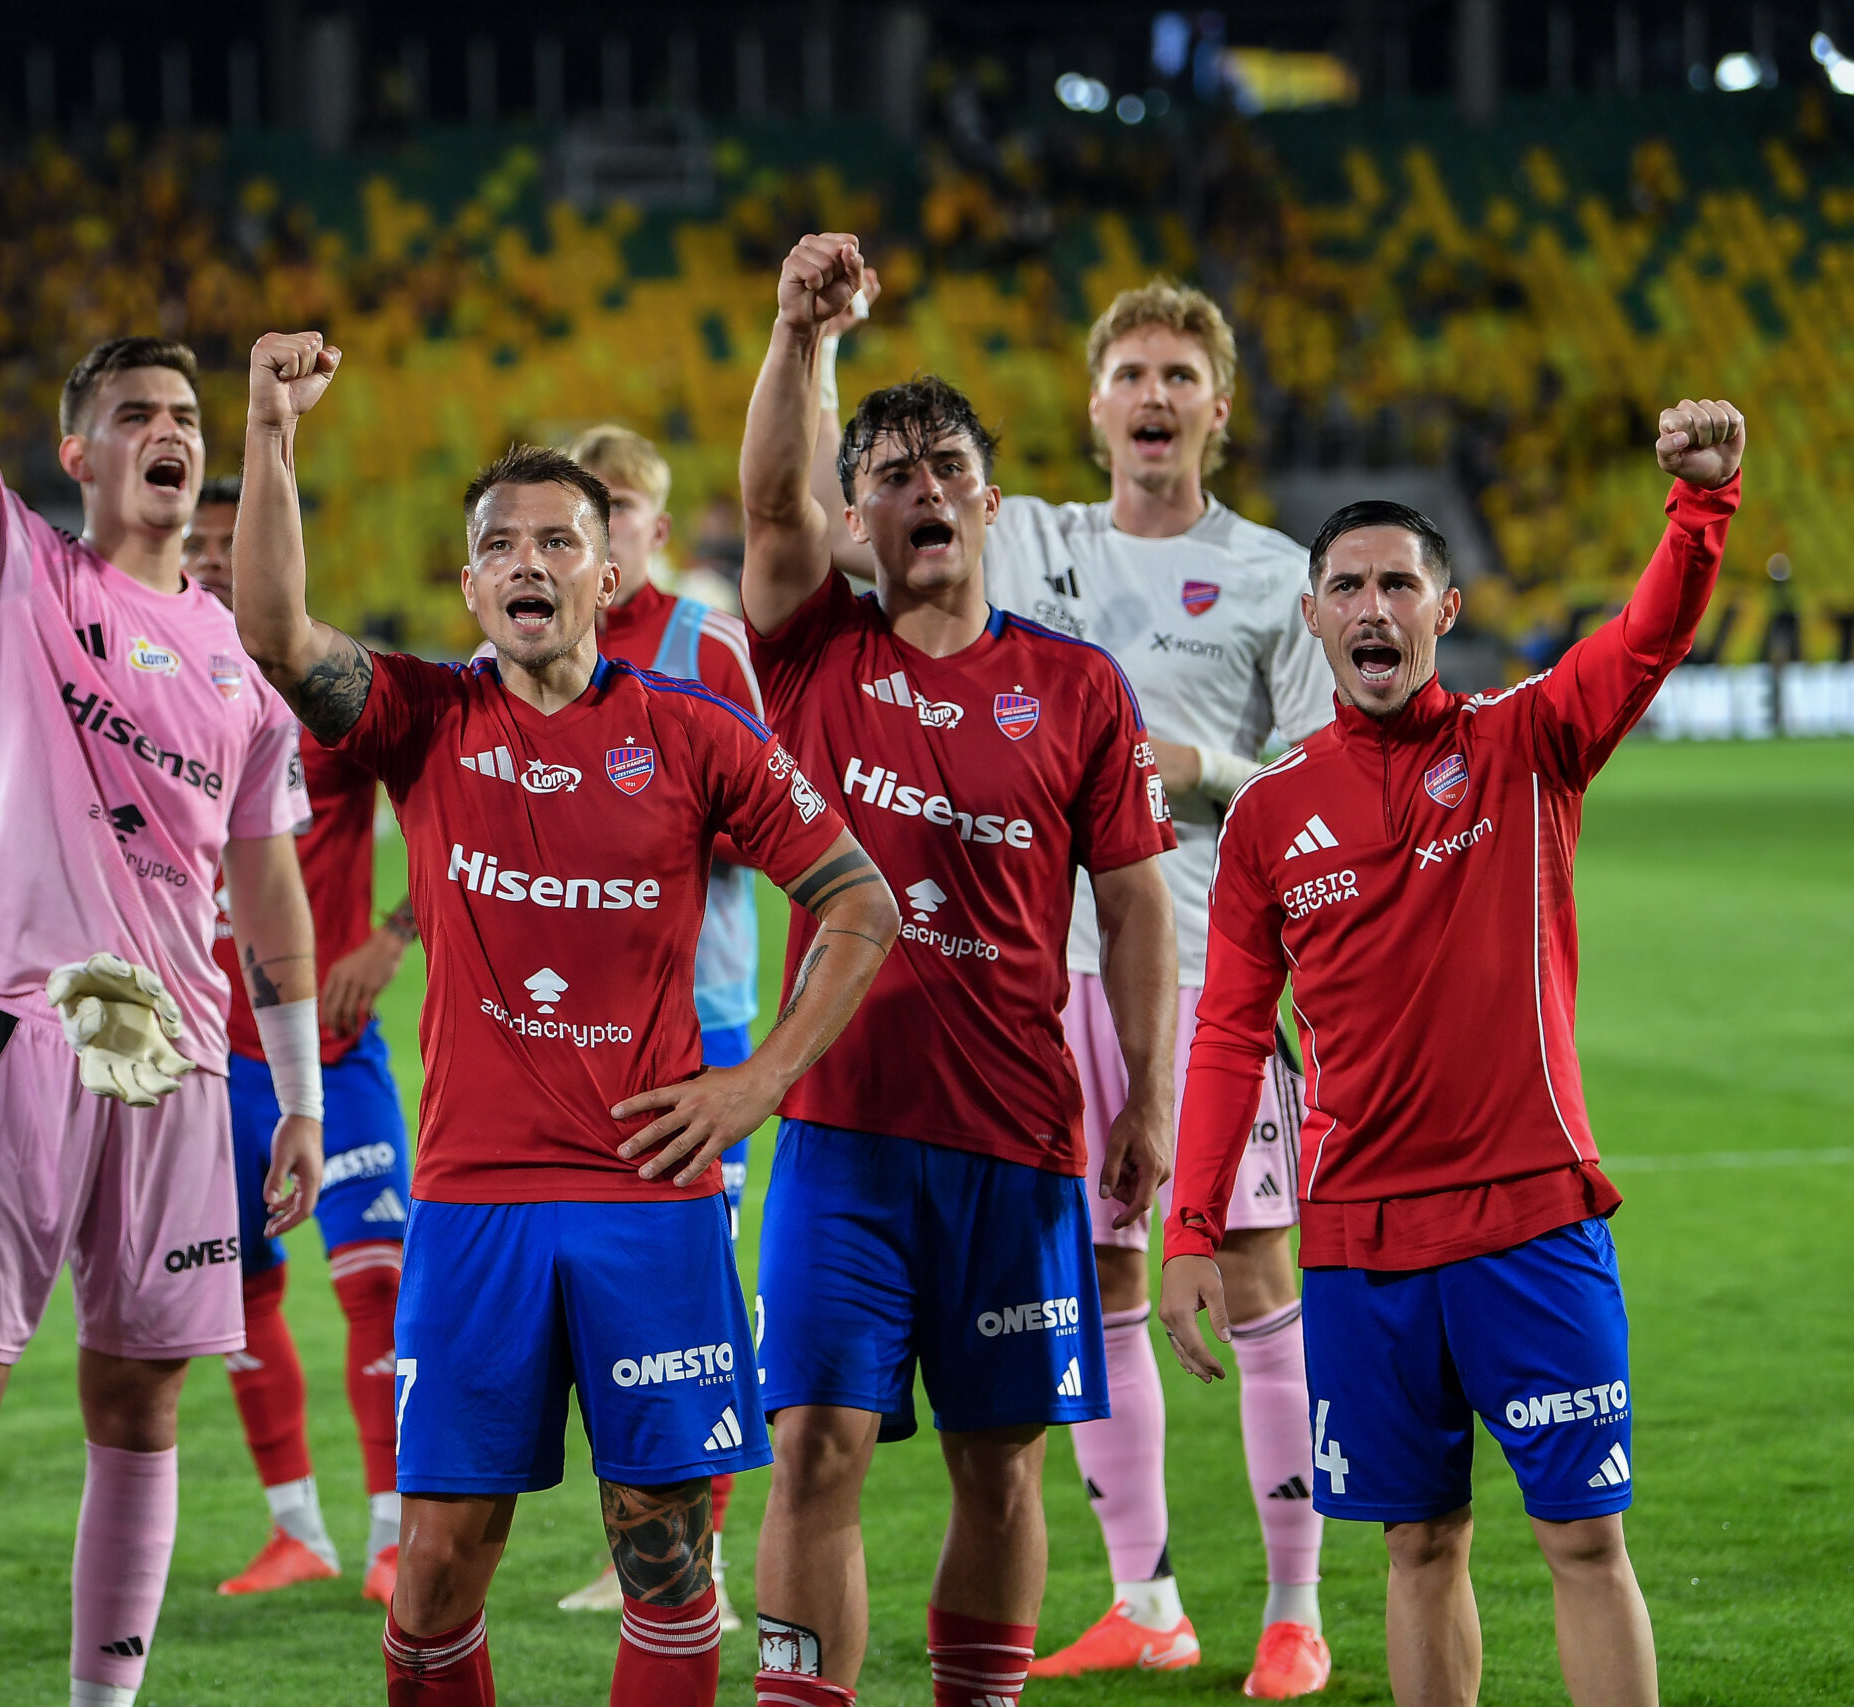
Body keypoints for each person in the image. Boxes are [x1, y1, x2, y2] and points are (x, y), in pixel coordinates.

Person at [232, 329, 899, 1707]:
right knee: (434, 1570)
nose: (529, 562)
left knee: (664, 1558)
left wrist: (759, 1079)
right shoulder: (424, 715)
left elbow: (863, 904)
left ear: (611, 571)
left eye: (557, 540)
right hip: (472, 1197)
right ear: (471, 580)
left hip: (647, 1198)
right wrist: (272, 428)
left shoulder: (695, 730)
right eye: (501, 544)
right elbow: (272, 633)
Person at [1163, 399, 1745, 1707]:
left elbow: (1648, 636)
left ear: (1443, 607)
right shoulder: (1266, 816)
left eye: (1399, 584)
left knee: (1583, 1540)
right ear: (1313, 617)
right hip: (1362, 1244)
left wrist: (1700, 509)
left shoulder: (1526, 741)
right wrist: (1194, 1220)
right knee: (1418, 1542)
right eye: (1348, 586)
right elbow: (1229, 1028)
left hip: (1530, 1224)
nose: (1374, 605)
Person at [0, 99, 324, 1707]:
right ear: (78, 450)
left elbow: (263, 868)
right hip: (21, 1021)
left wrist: (299, 1085)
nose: (172, 428)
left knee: (143, 1401)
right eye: (138, 409)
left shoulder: (233, 653)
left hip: (180, 1061)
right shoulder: (15, 565)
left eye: (186, 411)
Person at [739, 233, 1180, 1707]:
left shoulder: (1078, 689)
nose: (921, 489)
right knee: (813, 1443)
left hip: (1014, 1135)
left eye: (945, 466)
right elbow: (762, 496)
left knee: (1003, 1458)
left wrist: (1152, 1100)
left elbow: (1132, 913)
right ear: (854, 517)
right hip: (841, 1130)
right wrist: (803, 335)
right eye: (888, 474)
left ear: (989, 497)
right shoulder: (813, 650)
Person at [868, 278, 1327, 1693]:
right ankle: (1147, 1596)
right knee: (1105, 1280)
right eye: (1129, 370)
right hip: (1033, 976)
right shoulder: (1031, 539)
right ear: (1092, 405)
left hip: (1200, 969)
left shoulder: (1271, 569)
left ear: (1218, 406)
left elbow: (1323, 780)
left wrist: (1205, 772)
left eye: (1180, 372)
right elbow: (884, 534)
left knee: (1250, 1269)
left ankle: (1293, 1613)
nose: (1152, 394)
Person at [547, 423, 763, 1634]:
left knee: (692, 1288)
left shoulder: (702, 644)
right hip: (565, 1037)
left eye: (621, 505)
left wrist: (636, 819)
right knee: (600, 1295)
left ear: (657, 529)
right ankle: (634, 1545)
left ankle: (707, 1563)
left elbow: (765, 816)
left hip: (699, 1026)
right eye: (589, 506)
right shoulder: (526, 641)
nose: (606, 526)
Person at [189, 476, 420, 1604]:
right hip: (200, 1054)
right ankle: (297, 1531)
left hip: (329, 1048)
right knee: (237, 1297)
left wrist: (392, 934)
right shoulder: (145, 681)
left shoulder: (330, 684)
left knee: (378, 1285)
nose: (221, 559)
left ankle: (391, 1535)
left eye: (241, 541)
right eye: (203, 544)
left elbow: (453, 793)